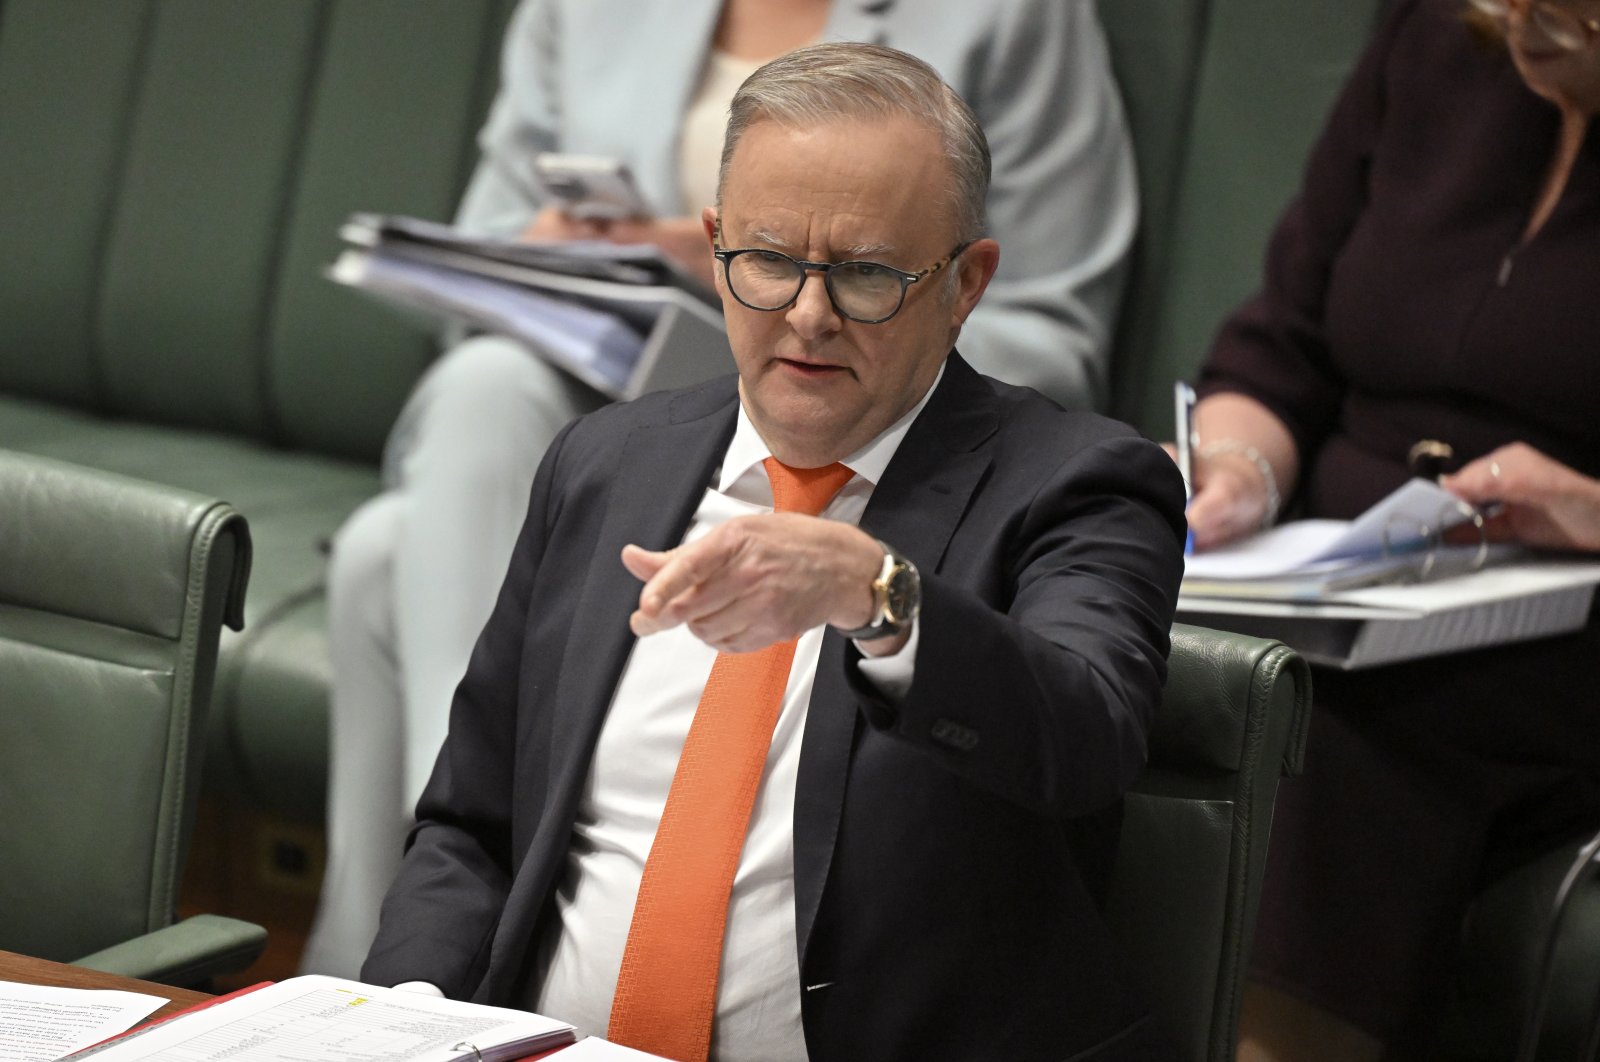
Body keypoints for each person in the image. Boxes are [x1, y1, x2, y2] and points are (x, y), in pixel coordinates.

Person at [360, 41, 1185, 1061]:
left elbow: (1085, 734)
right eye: (768, 262)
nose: (807, 314)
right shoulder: (607, 462)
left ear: (966, 283)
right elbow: (471, 827)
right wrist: (404, 1019)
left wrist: (876, 593)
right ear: (713, 248)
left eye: (866, 275)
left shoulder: (1074, 484)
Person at [1176, 0, 1600, 1057]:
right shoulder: (1431, 50)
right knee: (1083, 637)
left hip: (1559, 639)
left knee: (1329, 733)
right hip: (1345, 580)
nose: (1515, 25)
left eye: (1559, 9)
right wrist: (1237, 474)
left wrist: (1588, 510)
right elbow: (1278, 344)